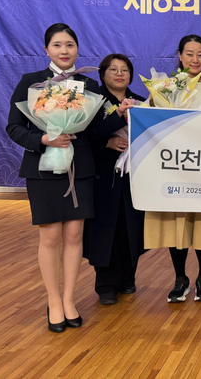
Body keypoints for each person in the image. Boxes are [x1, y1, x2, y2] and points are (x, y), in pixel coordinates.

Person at [6, 23, 106, 332]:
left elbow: (95, 131)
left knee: (74, 235)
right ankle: (53, 300)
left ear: (78, 49)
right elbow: (14, 127)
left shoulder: (88, 84)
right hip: (42, 169)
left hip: (80, 168)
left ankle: (69, 299)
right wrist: (44, 139)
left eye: (70, 45)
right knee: (50, 236)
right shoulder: (30, 82)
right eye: (57, 45)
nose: (64, 51)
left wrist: (117, 118)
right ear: (46, 49)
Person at [144, 35, 201, 303]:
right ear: (179, 56)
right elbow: (150, 119)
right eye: (189, 54)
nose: (195, 59)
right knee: (176, 222)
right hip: (174, 167)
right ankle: (180, 277)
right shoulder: (164, 88)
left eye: (200, 54)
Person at [83, 54, 147, 305]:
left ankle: (128, 278)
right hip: (104, 178)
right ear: (102, 74)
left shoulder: (142, 103)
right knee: (106, 231)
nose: (120, 74)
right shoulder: (91, 102)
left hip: (134, 178)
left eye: (125, 70)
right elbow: (86, 136)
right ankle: (106, 284)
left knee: (131, 228)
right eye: (113, 69)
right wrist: (107, 143)